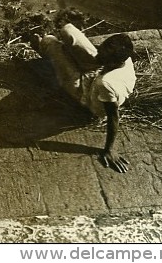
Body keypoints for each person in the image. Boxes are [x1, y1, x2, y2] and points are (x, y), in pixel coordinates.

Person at [31, 24, 136, 173]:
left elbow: (113, 116)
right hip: (98, 71)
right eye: (101, 48)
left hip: (84, 93)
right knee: (67, 30)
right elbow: (101, 57)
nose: (97, 53)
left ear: (112, 62)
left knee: (51, 43)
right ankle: (65, 53)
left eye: (102, 54)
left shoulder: (107, 84)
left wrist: (109, 149)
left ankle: (43, 46)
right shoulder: (124, 57)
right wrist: (99, 59)